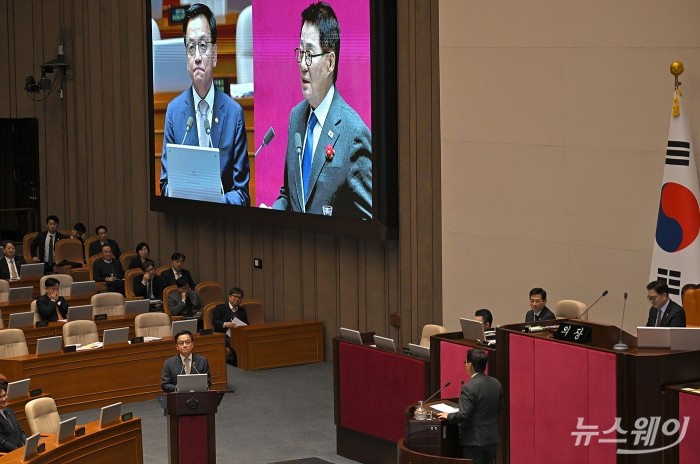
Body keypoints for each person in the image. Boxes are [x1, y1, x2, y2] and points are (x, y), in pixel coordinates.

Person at [269, 2, 372, 219]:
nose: (303, 64)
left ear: (330, 62)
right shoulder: (296, 118)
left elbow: (368, 220)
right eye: (300, 52)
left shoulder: (354, 133)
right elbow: (288, 195)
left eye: (310, 54)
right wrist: (270, 213)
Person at [159, 3, 250, 206]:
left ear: (215, 54)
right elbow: (165, 185)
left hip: (223, 227)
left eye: (203, 46)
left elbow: (242, 194)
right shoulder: (174, 112)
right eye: (191, 47)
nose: (198, 57)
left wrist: (216, 201)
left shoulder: (234, 114)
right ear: (186, 57)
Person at [437, 349, 503, 464]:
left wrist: (449, 416)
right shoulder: (496, 383)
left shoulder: (469, 387)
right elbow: (500, 407)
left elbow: (463, 414)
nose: (465, 365)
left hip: (474, 441)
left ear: (470, 365)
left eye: (465, 362)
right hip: (491, 438)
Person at [212, 287, 249, 366]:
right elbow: (215, 322)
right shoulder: (220, 308)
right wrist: (225, 324)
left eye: (239, 298)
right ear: (229, 297)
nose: (237, 299)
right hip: (224, 334)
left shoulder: (242, 311)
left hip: (238, 335)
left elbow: (247, 324)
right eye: (235, 296)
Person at [0, 386, 27, 453]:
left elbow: (21, 431)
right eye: (0, 397)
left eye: (4, 395)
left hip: (22, 449)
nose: (4, 399)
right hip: (9, 454)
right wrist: (17, 450)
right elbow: (2, 442)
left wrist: (26, 444)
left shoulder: (10, 411)